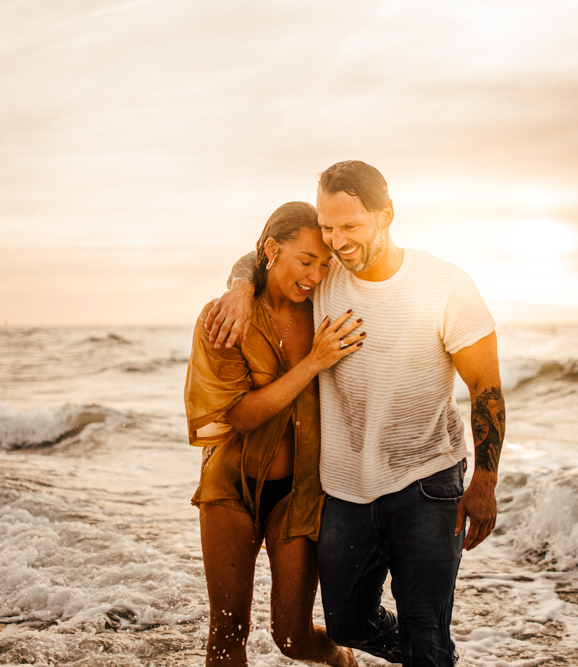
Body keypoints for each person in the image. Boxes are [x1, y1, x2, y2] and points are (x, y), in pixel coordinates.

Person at [204, 161, 505, 667]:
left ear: (386, 215)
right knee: (345, 623)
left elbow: (486, 389)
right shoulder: (324, 275)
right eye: (328, 226)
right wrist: (238, 287)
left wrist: (486, 481)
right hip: (344, 489)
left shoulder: (446, 285)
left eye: (350, 226)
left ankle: (427, 654)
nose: (337, 241)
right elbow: (265, 255)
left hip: (428, 481)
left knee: (426, 631)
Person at [186, 201, 364, 667]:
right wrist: (314, 362)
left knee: (293, 638)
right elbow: (241, 416)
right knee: (227, 631)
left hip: (300, 493)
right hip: (231, 485)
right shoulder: (227, 317)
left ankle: (343, 661)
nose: (316, 274)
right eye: (306, 261)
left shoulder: (328, 308)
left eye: (325, 263)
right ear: (270, 249)